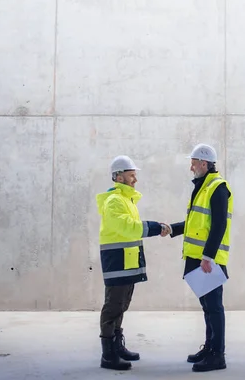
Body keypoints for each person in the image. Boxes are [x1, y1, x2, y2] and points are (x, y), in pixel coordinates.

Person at [95, 155, 169, 370]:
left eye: (135, 176)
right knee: (113, 307)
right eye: (131, 176)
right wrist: (156, 227)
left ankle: (117, 346)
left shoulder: (127, 200)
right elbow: (129, 227)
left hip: (126, 262)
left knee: (122, 305)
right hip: (117, 262)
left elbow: (130, 229)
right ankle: (108, 355)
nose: (135, 180)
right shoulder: (114, 201)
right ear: (119, 176)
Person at [164, 143, 233, 372]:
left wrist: (208, 257)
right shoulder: (203, 187)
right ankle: (210, 347)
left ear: (204, 163)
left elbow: (219, 225)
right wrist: (171, 229)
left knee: (214, 306)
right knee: (207, 306)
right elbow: (196, 223)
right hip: (198, 256)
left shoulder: (217, 187)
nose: (191, 167)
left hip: (208, 259)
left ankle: (218, 355)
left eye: (193, 163)